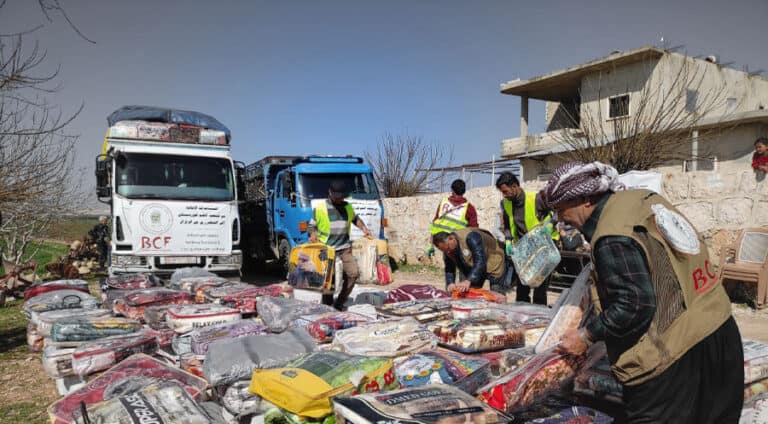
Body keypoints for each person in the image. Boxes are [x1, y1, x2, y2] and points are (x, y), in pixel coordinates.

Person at [541, 161, 743, 423]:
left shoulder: (611, 234)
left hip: (673, 357)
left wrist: (586, 336)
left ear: (586, 198)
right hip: (719, 330)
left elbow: (633, 305)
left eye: (561, 209)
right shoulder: (642, 200)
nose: (560, 218)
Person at [495, 172, 558, 305]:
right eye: (502, 192)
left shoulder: (536, 198)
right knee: (522, 282)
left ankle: (539, 311)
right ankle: (522, 309)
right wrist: (508, 240)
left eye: (505, 191)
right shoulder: (505, 203)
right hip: (524, 245)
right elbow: (507, 225)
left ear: (515, 186)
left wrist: (551, 225)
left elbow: (558, 211)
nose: (504, 195)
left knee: (539, 283)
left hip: (543, 244)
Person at [308, 180, 372, 310]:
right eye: (336, 197)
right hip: (327, 250)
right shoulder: (320, 208)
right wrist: (312, 234)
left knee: (353, 274)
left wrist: (364, 228)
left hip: (344, 248)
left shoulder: (347, 207)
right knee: (329, 280)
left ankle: (340, 303)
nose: (338, 199)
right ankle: (327, 305)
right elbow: (311, 226)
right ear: (330, 193)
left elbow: (355, 219)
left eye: (341, 197)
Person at [432, 228, 513, 294]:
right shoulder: (447, 248)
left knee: (496, 295)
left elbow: (480, 261)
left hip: (494, 262)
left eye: (448, 248)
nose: (447, 252)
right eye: (444, 251)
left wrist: (469, 280)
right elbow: (449, 267)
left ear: (451, 239)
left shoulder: (471, 237)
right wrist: (450, 283)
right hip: (474, 266)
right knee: (467, 294)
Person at [426, 179, 478, 258]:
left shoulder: (443, 203)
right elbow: (474, 229)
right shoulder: (469, 208)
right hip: (456, 243)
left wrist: (430, 245)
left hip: (441, 241)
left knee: (449, 263)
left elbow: (435, 223)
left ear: (452, 190)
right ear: (464, 191)